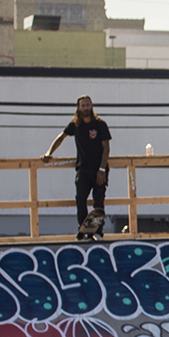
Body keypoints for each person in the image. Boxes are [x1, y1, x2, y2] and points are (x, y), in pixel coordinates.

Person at [41, 95, 114, 240]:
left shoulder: (100, 124)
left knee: (98, 201)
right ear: (78, 108)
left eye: (88, 105)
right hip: (83, 169)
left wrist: (102, 169)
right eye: (83, 106)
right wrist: (49, 153)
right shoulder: (76, 125)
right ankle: (83, 228)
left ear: (91, 106)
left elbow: (106, 147)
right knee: (80, 199)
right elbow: (61, 137)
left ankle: (97, 231)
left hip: (99, 170)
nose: (86, 108)